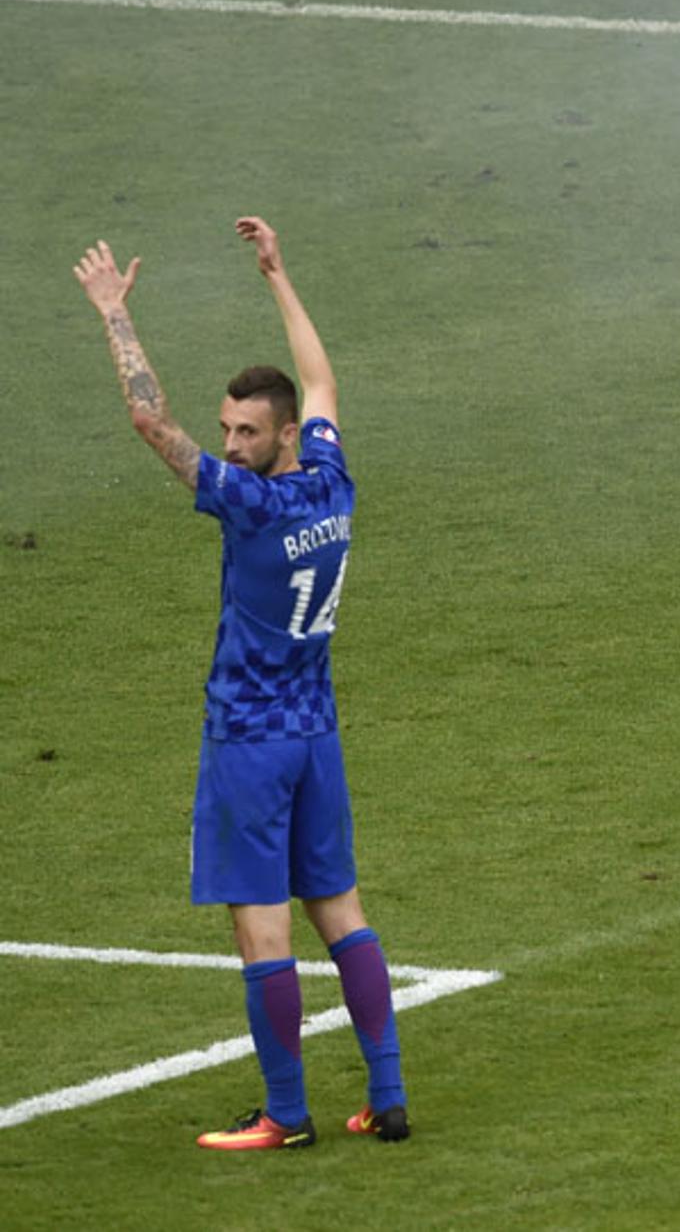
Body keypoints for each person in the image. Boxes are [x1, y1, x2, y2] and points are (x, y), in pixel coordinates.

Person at [73, 218, 411, 1150]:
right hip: (317, 733)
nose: (229, 440)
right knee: (341, 911)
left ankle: (287, 1114)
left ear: (280, 439)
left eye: (245, 431)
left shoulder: (253, 505)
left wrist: (115, 314)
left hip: (251, 742)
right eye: (227, 428)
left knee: (263, 933)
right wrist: (278, 275)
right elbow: (324, 380)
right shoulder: (333, 482)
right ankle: (387, 1097)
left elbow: (150, 419)